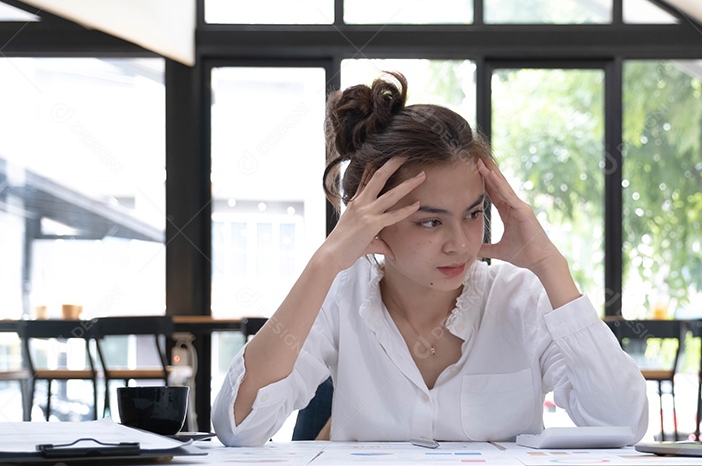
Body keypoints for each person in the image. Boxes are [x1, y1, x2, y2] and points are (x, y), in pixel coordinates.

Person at [212, 71, 649, 446]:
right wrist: (325, 262)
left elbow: (622, 424)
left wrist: (551, 266)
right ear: (375, 220)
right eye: (430, 222)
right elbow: (239, 427)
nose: (459, 243)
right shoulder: (341, 297)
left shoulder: (522, 299)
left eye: (474, 214)